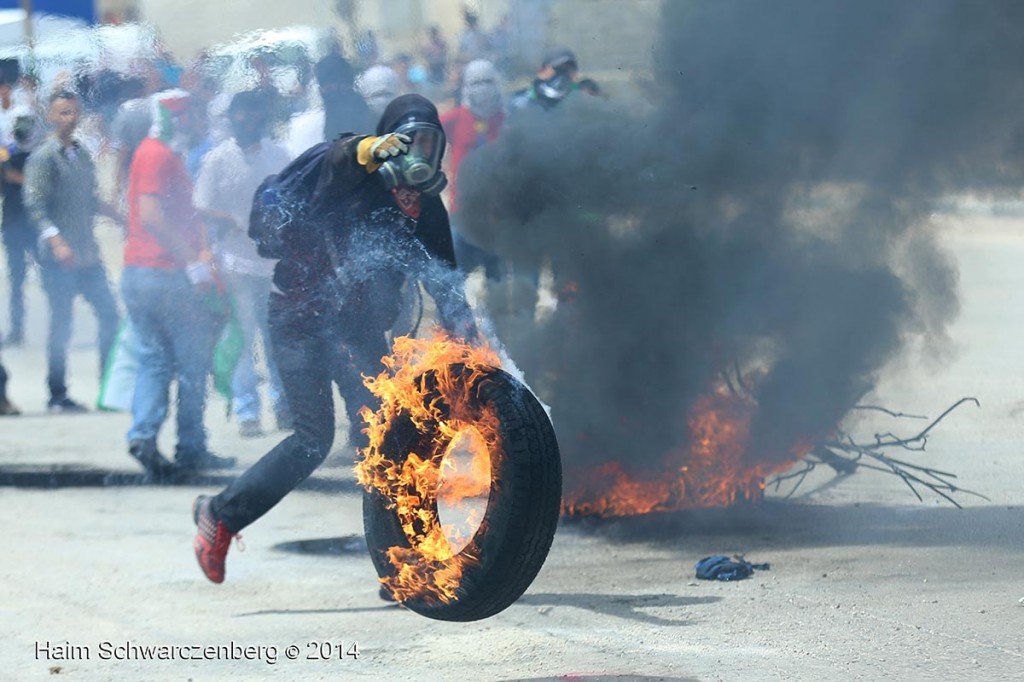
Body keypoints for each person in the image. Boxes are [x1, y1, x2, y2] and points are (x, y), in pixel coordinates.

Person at [192, 94, 478, 584]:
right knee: (311, 441)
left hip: (358, 329)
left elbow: (444, 279)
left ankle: (401, 569)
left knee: (386, 436)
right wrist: (365, 150)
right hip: (300, 318)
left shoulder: (426, 207)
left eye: (431, 142)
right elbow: (333, 162)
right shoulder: (350, 166)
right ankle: (221, 515)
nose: (420, 153)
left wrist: (471, 341)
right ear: (391, 139)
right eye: (411, 140)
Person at [121, 89, 235, 476]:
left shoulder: (155, 154)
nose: (193, 122)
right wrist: (192, 262)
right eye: (186, 115)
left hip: (143, 273)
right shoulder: (157, 154)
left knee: (154, 360)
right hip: (164, 273)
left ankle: (144, 436)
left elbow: (172, 209)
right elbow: (151, 215)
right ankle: (190, 447)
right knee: (191, 364)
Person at [195, 91, 292, 438]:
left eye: (254, 112)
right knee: (242, 339)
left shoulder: (279, 156)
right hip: (235, 263)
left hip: (276, 265)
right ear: (232, 118)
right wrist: (232, 220)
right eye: (241, 113)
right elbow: (201, 206)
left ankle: (284, 407)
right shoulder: (217, 159)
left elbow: (296, 199)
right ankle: (247, 411)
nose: (248, 119)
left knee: (276, 339)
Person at [24, 91, 122, 413]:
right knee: (61, 325)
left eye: (74, 112)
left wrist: (119, 216)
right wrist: (57, 242)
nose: (71, 118)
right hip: (59, 259)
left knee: (110, 315)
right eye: (64, 113)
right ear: (52, 117)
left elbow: (89, 198)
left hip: (88, 254)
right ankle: (56, 393)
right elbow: (35, 206)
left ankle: (109, 388)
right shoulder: (44, 157)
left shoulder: (80, 154)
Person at [440, 59, 505, 279]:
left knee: (498, 280)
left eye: (487, 81)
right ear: (467, 86)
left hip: (497, 216)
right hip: (462, 211)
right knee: (453, 278)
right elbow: (426, 133)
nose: (482, 88)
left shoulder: (506, 120)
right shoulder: (456, 118)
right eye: (476, 82)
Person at [2, 114, 37, 346]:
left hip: (23, 225)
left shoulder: (10, 159)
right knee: (48, 276)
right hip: (22, 225)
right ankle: (17, 329)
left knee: (18, 280)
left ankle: (18, 330)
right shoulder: (38, 158)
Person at [509, 48, 592, 112]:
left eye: (569, 68)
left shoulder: (582, 92)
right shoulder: (520, 101)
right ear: (542, 72)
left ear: (575, 73)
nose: (562, 75)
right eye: (557, 69)